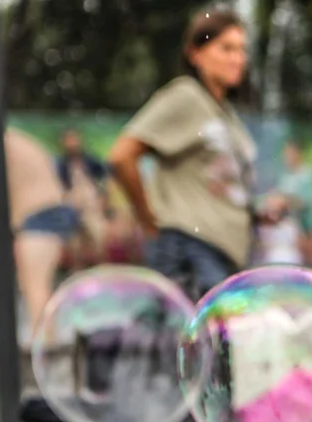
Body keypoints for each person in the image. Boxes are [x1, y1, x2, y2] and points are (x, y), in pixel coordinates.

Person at [109, 6, 256, 300]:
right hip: (190, 247)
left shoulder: (225, 113)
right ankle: (100, 345)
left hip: (220, 250)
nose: (238, 59)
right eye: (226, 48)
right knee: (204, 342)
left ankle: (100, 344)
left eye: (241, 50)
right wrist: (149, 221)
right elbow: (121, 157)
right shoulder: (185, 95)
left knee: (200, 340)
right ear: (195, 53)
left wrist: (259, 212)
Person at [0, 127, 83, 334]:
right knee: (37, 285)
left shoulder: (2, 143)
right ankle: (45, 342)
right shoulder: (21, 141)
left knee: (35, 285)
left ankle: (44, 344)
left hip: (39, 214)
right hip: (48, 212)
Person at [56, 128, 110, 268]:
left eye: (74, 139)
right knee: (74, 242)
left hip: (91, 205)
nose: (72, 143)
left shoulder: (91, 161)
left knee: (99, 237)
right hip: (70, 205)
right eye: (69, 140)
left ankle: (101, 268)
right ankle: (77, 270)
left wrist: (103, 199)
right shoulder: (61, 164)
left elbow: (104, 180)